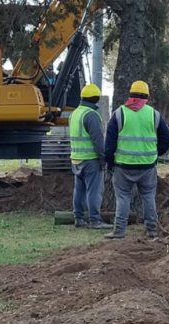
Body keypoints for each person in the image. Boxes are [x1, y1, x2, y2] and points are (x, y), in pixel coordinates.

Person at [103, 80, 169, 240]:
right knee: (148, 197)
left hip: (123, 165)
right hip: (147, 166)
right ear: (147, 96)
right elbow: (167, 138)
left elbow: (109, 143)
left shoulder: (119, 113)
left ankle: (119, 232)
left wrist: (110, 162)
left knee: (123, 198)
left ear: (130, 95)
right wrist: (156, 153)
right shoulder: (153, 114)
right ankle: (152, 231)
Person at [69, 83, 112, 229]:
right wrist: (103, 158)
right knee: (94, 191)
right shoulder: (92, 115)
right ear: (96, 99)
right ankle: (95, 221)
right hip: (90, 159)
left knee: (79, 190)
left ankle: (78, 218)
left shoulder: (75, 113)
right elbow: (98, 140)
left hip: (76, 158)